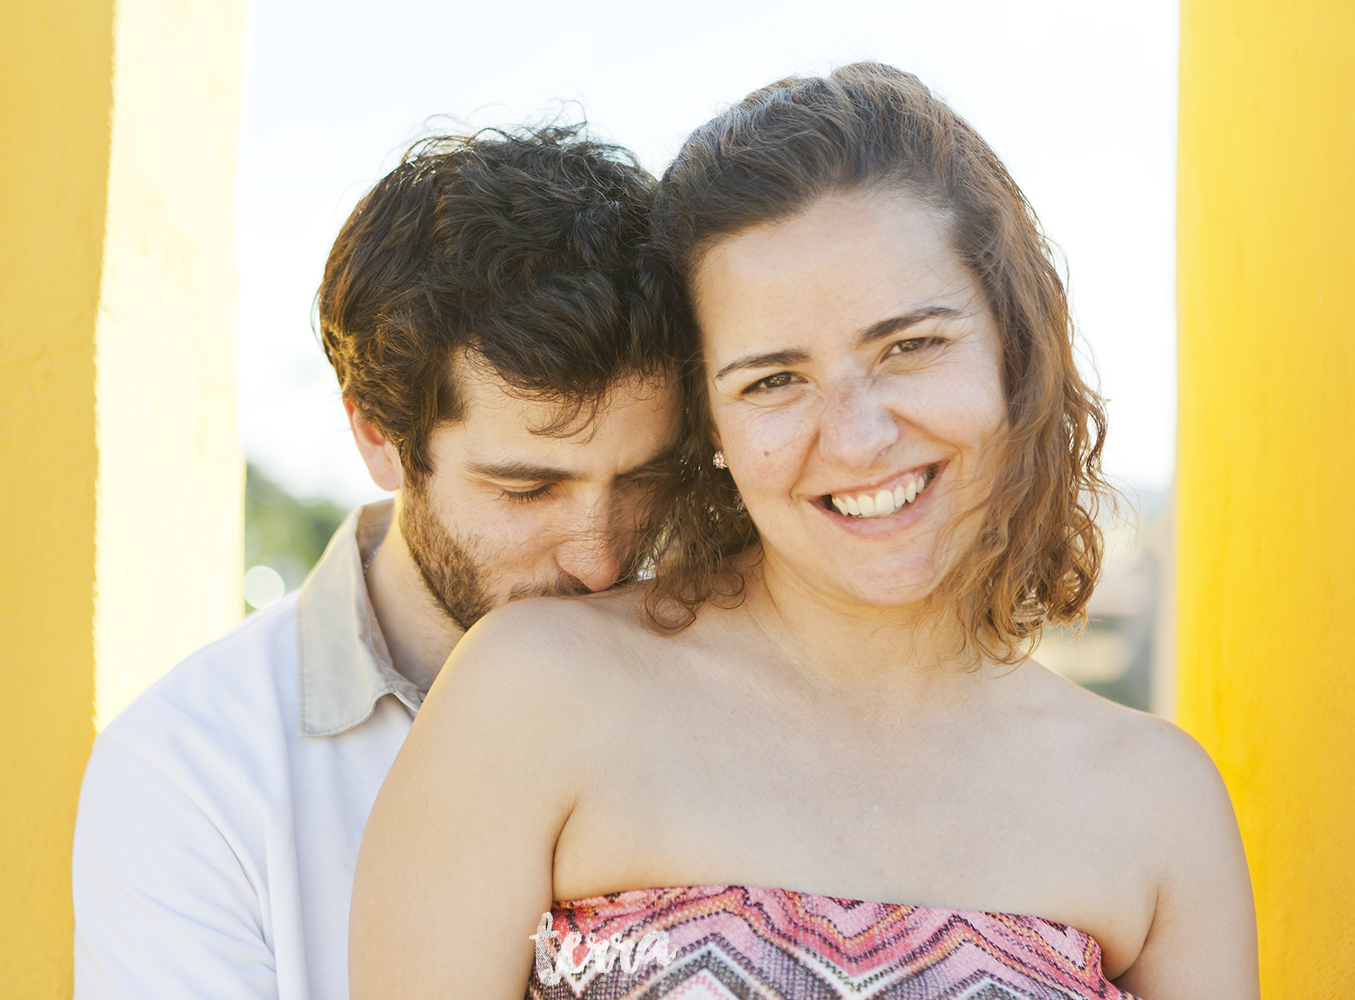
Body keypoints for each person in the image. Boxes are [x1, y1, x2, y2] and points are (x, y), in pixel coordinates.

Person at [348, 64, 1258, 999]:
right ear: (711, 427)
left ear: (1014, 350)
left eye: (910, 345)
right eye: (773, 381)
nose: (859, 438)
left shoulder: (1159, 802)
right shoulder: (533, 694)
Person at [71, 125, 683, 999]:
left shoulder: (731, 680)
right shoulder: (193, 772)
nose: (600, 558)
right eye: (526, 490)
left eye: (643, 478)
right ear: (377, 436)